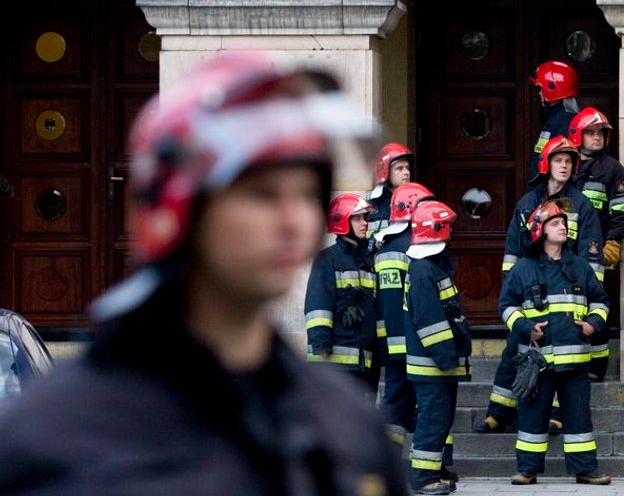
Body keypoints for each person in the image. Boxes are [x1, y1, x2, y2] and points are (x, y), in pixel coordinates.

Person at [0, 54, 407, 496]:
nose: (296, 222)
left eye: (307, 193)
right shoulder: (57, 435)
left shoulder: (344, 419)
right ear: (178, 208)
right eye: (263, 194)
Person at [475, 136, 603, 434]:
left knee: (560, 356)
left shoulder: (580, 204)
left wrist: (584, 302)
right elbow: (513, 251)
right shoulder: (528, 203)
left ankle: (555, 414)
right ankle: (499, 410)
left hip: (567, 293)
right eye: (559, 160)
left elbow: (591, 258)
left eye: (569, 162)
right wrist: (512, 291)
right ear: (546, 164)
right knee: (514, 350)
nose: (564, 166)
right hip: (529, 294)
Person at [499, 200, 611, 486]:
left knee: (578, 420)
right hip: (539, 361)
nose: (563, 226)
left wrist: (592, 325)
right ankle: (527, 470)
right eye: (555, 223)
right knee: (532, 418)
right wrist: (526, 328)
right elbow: (507, 306)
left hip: (574, 360)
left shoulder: (580, 266)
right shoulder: (523, 268)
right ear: (540, 231)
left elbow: (600, 300)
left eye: (563, 222)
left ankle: (585, 469)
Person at [404, 201, 472, 495]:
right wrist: (446, 357)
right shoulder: (422, 270)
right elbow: (430, 321)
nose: (452, 232)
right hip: (432, 364)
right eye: (448, 226)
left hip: (440, 363)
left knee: (440, 419)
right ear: (437, 230)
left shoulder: (431, 267)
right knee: (432, 420)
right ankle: (422, 477)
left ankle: (435, 470)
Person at [567, 106, 624, 381]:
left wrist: (613, 242)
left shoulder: (613, 169)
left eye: (601, 133)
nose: (597, 138)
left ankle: (597, 367)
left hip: (595, 253)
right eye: (591, 132)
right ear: (577, 135)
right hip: (564, 251)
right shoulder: (565, 164)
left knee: (596, 306)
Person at [374, 182, 435, 445]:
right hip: (414, 344)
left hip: (399, 345)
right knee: (428, 405)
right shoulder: (412, 247)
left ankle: (390, 464)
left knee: (399, 405)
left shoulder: (388, 248)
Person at [304, 193, 380, 391]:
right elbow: (318, 306)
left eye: (365, 217)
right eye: (357, 218)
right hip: (335, 362)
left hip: (366, 360)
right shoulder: (327, 259)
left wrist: (381, 350)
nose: (364, 223)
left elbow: (375, 309)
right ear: (342, 221)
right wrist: (320, 345)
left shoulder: (368, 261)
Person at [528, 60, 580, 183]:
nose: (539, 93)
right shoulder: (555, 117)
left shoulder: (565, 121)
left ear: (552, 88)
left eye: (541, 88)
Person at [367, 142, 414, 252]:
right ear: (385, 171)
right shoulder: (371, 207)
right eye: (400, 168)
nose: (407, 173)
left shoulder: (419, 203)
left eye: (407, 168)